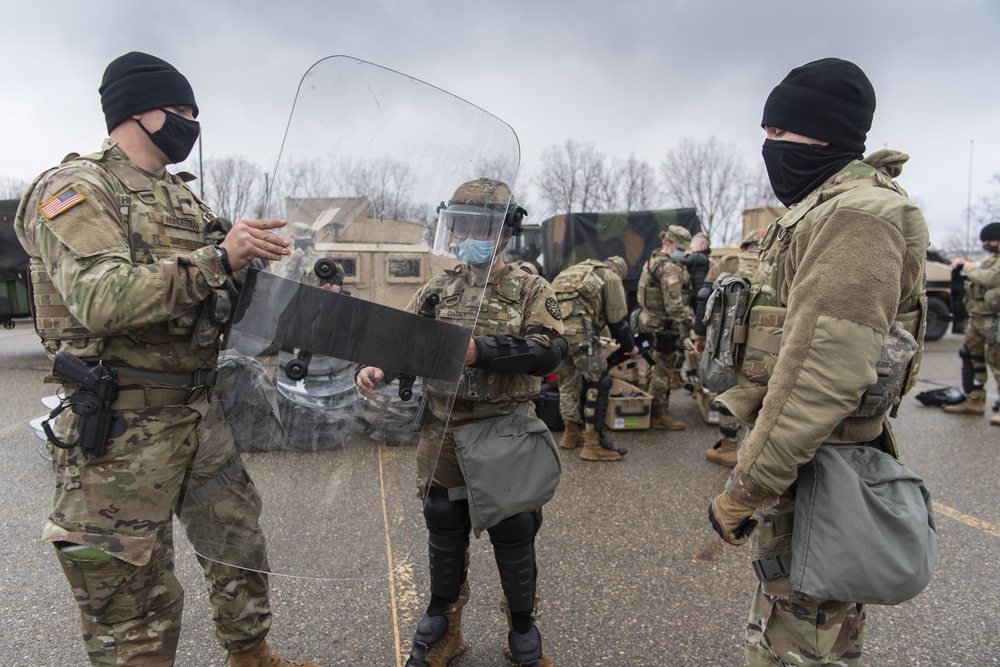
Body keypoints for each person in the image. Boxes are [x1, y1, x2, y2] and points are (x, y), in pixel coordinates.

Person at [14, 52, 323, 667]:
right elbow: (102, 299)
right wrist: (220, 260)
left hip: (195, 413)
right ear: (136, 109)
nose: (190, 122)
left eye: (194, 111)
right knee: (133, 598)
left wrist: (262, 276)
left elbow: (217, 301)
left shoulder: (183, 203)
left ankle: (252, 654)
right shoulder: (76, 189)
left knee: (238, 545)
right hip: (122, 427)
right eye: (179, 110)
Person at [706, 58, 928, 666]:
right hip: (804, 466)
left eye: (780, 134)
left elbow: (819, 377)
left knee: (798, 648)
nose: (768, 147)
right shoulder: (823, 208)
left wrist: (745, 488)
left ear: (825, 133)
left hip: (817, 472)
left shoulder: (857, 217)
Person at [356, 179, 566, 667]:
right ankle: (446, 625)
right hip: (444, 428)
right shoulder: (438, 289)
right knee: (444, 521)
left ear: (505, 232)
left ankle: (521, 625)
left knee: (514, 526)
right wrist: (378, 367)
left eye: (480, 226)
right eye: (462, 225)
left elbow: (551, 349)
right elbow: (404, 341)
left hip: (504, 428)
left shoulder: (530, 288)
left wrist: (483, 350)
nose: (468, 235)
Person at [551, 256, 637, 461]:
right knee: (599, 382)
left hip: (556, 336)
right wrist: (630, 347)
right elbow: (617, 322)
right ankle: (593, 443)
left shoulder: (570, 271)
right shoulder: (610, 277)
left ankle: (570, 434)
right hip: (582, 337)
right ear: (617, 271)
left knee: (567, 383)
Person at [691, 229, 762, 467]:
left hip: (733, 339)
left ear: (744, 247)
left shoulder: (730, 261)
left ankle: (729, 447)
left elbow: (705, 297)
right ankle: (757, 451)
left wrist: (700, 337)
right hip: (771, 341)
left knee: (732, 390)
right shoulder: (775, 261)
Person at [637, 225, 693, 430]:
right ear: (667, 244)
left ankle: (648, 404)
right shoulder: (669, 267)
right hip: (662, 325)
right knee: (662, 368)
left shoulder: (654, 258)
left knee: (653, 365)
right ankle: (658, 413)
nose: (683, 252)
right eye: (680, 247)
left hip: (649, 320)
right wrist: (691, 323)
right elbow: (674, 306)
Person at [944, 222, 1000, 425]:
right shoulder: (993, 259)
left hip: (994, 319)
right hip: (977, 318)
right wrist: (965, 266)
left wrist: (970, 270)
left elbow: (993, 279)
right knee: (973, 358)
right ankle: (975, 399)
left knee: (997, 362)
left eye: (988, 240)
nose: (985, 244)